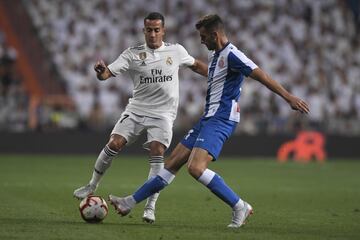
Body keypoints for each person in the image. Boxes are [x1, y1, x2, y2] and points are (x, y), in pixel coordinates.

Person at [107, 14, 310, 228]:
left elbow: (261, 75)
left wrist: (289, 97)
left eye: (204, 37)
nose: (201, 41)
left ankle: (240, 205)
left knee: (195, 168)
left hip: (221, 118)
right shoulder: (215, 55)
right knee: (171, 164)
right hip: (208, 118)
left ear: (215, 35)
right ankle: (129, 202)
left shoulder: (233, 55)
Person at [73, 12, 208, 224]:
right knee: (114, 143)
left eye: (156, 30)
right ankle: (92, 185)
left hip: (163, 114)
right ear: (143, 31)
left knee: (158, 150)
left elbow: (196, 65)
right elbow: (107, 74)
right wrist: (100, 72)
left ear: (163, 31)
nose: (153, 34)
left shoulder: (176, 50)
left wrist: (216, 77)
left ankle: (150, 205)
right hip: (136, 109)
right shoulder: (132, 54)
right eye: (149, 30)